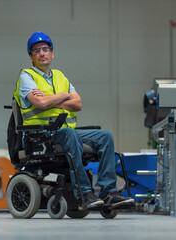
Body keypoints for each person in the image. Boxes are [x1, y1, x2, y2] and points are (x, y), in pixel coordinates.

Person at [14, 32, 134, 209]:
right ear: (31, 57)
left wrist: (50, 99)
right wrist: (63, 96)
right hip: (39, 135)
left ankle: (109, 192)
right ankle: (84, 193)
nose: (42, 53)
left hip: (63, 132)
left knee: (105, 136)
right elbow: (39, 102)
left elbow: (78, 104)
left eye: (46, 49)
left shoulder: (60, 76)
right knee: (70, 135)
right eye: (37, 50)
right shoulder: (26, 76)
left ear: (52, 53)